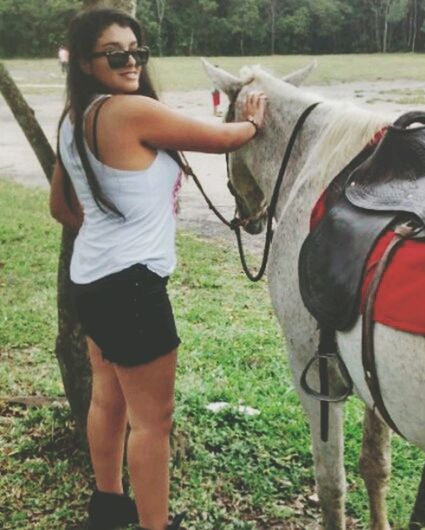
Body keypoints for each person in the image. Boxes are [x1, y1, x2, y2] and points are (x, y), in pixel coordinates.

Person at [49, 8, 266, 530]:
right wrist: (254, 118)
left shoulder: (73, 118)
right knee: (153, 422)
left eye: (137, 52)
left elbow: (61, 208)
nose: (130, 61)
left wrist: (108, 226)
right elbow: (224, 138)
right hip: (132, 288)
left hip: (94, 280)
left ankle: (108, 509)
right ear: (83, 62)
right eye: (115, 53)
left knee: (109, 400)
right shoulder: (129, 111)